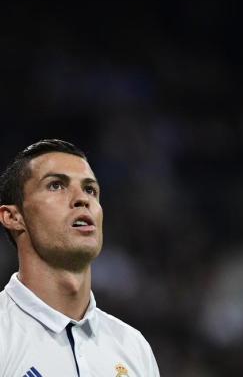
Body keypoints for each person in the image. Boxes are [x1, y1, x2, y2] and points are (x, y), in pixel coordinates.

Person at [0, 139, 160, 376]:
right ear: (13, 217)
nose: (82, 199)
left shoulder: (133, 347)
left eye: (90, 190)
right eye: (56, 185)